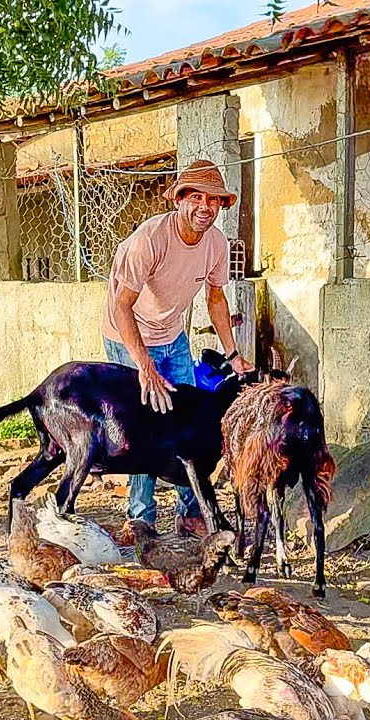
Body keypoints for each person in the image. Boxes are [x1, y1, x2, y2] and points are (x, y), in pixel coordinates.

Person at [102, 159, 254, 536]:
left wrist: (233, 355)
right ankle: (141, 518)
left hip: (173, 335)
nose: (205, 206)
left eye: (214, 200)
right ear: (179, 200)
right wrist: (144, 367)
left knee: (193, 420)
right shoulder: (149, 241)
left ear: (221, 206)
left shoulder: (216, 244)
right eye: (196, 197)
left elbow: (216, 299)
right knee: (147, 427)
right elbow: (123, 307)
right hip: (129, 335)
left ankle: (190, 514)